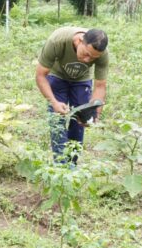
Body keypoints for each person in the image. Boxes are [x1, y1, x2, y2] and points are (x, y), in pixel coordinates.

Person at [34, 27, 109, 163]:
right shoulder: (57, 40)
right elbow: (40, 75)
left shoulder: (102, 53)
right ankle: (61, 166)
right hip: (57, 76)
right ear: (80, 41)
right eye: (86, 54)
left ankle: (72, 163)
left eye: (93, 58)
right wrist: (54, 102)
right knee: (57, 119)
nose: (87, 60)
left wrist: (94, 113)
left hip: (82, 79)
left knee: (80, 121)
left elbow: (100, 86)